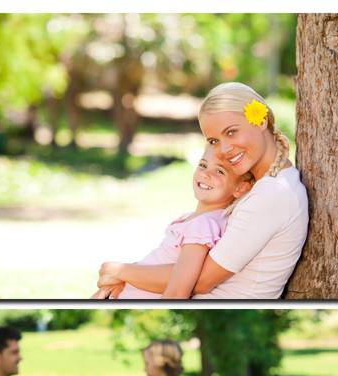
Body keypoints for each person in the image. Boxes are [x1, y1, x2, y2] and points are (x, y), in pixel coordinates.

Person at [94, 84, 308, 300]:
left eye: (232, 132)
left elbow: (201, 280)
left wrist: (123, 272)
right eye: (214, 141)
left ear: (260, 120)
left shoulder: (272, 194)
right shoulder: (265, 186)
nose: (224, 150)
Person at [94, 151, 253, 300]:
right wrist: (121, 276)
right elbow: (158, 264)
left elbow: (178, 291)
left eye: (220, 171)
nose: (205, 174)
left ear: (241, 188)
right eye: (203, 165)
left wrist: (118, 271)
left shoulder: (202, 225)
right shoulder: (196, 220)